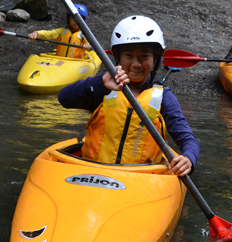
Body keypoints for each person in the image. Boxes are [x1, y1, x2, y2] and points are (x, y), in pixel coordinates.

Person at [58, 15, 198, 176]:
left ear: (155, 60)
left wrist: (189, 158)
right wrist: (99, 82)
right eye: (128, 56)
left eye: (144, 56)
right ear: (117, 57)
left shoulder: (163, 98)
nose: (136, 64)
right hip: (92, 173)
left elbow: (188, 139)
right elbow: (64, 98)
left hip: (141, 178)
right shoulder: (102, 88)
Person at [28, 4, 92, 58]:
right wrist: (37, 33)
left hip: (75, 63)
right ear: (68, 18)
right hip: (60, 61)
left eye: (78, 19)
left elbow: (89, 43)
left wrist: (88, 46)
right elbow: (49, 34)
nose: (75, 21)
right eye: (73, 18)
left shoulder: (85, 34)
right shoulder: (62, 31)